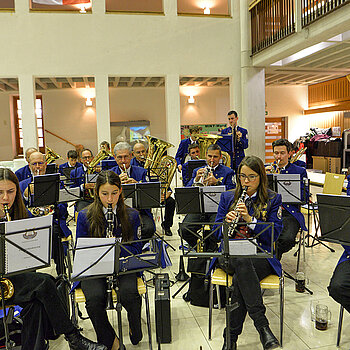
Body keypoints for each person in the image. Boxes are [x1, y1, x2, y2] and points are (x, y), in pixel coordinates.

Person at [0, 168, 107, 350]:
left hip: (14, 281)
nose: (5, 198)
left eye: (10, 192)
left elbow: (39, 238)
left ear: (17, 192)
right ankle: (74, 338)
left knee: (36, 305)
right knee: (45, 283)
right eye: (0, 192)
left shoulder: (21, 213)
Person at [214, 156, 282, 350]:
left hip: (259, 256)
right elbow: (216, 232)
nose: (245, 182)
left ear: (261, 177)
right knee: (242, 262)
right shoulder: (227, 197)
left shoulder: (273, 199)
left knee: (241, 277)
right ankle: (263, 327)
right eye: (242, 176)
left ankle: (230, 339)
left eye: (251, 177)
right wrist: (225, 224)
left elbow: (274, 234)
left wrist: (250, 219)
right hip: (229, 255)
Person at [76, 170, 143, 350]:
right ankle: (111, 342)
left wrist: (116, 249)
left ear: (120, 191)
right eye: (105, 194)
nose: (110, 199)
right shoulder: (84, 216)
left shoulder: (132, 215)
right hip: (94, 267)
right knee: (95, 299)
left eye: (114, 193)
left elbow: (136, 248)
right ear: (97, 193)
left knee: (130, 294)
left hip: (123, 264)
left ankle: (135, 327)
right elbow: (81, 250)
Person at [19, 151, 72, 275]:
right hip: (30, 226)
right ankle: (31, 275)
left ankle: (62, 275)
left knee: (54, 234)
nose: (38, 167)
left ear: (46, 164)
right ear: (29, 165)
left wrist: (54, 203)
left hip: (53, 223)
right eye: (34, 164)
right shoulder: (22, 186)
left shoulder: (56, 182)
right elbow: (19, 211)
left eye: (40, 163)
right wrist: (26, 196)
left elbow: (63, 209)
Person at [181, 144, 235, 248]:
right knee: (184, 229)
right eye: (209, 156)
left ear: (220, 158)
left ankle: (211, 250)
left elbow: (233, 191)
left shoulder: (228, 172)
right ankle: (199, 246)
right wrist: (196, 180)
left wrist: (218, 183)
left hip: (217, 209)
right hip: (199, 208)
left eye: (215, 157)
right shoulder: (197, 170)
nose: (212, 159)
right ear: (205, 155)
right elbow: (187, 190)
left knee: (214, 230)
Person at [267, 138, 308, 260]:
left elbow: (304, 196)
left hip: (289, 213)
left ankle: (273, 263)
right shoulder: (266, 170)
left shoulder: (299, 171)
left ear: (289, 153)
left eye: (282, 153)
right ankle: (272, 264)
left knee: (287, 239)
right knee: (259, 234)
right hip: (269, 212)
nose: (278, 156)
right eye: (276, 153)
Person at [111, 142, 156, 240]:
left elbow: (149, 197)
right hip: (117, 212)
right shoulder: (110, 174)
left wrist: (137, 184)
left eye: (126, 157)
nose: (123, 161)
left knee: (149, 228)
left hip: (140, 211)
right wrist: (115, 182)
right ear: (115, 157)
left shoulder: (142, 172)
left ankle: (139, 245)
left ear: (131, 156)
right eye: (119, 157)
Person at [130, 141, 175, 236]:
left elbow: (164, 181)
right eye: (138, 152)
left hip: (156, 195)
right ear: (133, 154)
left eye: (143, 151)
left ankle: (167, 225)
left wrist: (167, 192)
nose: (142, 154)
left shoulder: (153, 164)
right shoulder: (131, 165)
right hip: (141, 198)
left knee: (171, 202)